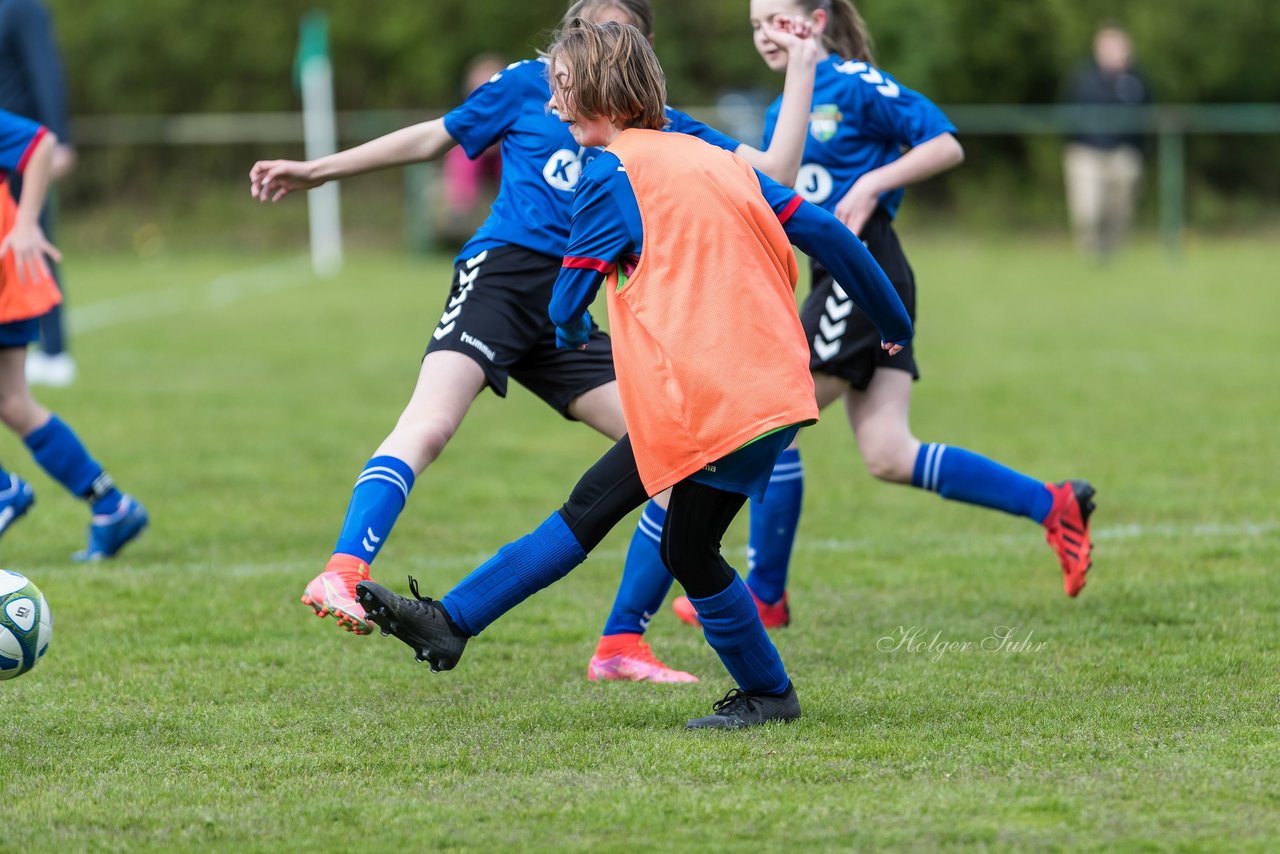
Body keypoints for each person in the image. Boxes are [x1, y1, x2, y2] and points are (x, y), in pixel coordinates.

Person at [354, 18, 912, 729]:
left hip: (712, 398)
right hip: (768, 387)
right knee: (606, 512)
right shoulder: (711, 157)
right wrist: (893, 325)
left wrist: (568, 330)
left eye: (562, 91)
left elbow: (564, 299)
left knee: (672, 540)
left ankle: (770, 694)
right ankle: (450, 620)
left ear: (599, 95)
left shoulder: (609, 173)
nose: (553, 107)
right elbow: (829, 232)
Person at [249, 0, 822, 684]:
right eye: (586, 35)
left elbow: (776, 176)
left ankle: (619, 644)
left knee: (670, 457)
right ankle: (343, 571)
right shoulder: (533, 84)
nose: (597, 53)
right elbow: (435, 137)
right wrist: (319, 172)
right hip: (505, 278)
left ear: (639, 55)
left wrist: (802, 70)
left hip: (572, 305)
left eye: (619, 37)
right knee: (429, 424)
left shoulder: (660, 129)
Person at [594, 0, 1094, 650]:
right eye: (755, 25)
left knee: (769, 417)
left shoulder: (855, 83)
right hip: (839, 279)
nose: (764, 35)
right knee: (888, 451)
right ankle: (1052, 505)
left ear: (817, 21)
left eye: (778, 20)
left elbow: (945, 142)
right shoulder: (783, 112)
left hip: (865, 272)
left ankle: (764, 596)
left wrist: (875, 182)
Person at [0, 109, 148, 559]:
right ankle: (111, 505)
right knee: (12, 401)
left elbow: (42, 143)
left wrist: (27, 223)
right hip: (11, 272)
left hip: (8, 264)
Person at [0, 0, 76, 386]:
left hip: (19, 151)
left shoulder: (21, 7)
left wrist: (60, 139)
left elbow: (45, 69)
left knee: (31, 241)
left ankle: (54, 350)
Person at [1062, 23, 1151, 260]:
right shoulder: (1084, 79)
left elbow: (1147, 115)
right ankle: (1090, 255)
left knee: (1119, 210)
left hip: (1123, 153)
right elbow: (1068, 114)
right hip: (1087, 152)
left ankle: (1112, 255)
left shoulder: (1136, 81)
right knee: (1088, 210)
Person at [435, 52, 506, 248]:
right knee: (463, 150)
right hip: (475, 165)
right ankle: (458, 210)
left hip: (508, 164)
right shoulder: (468, 117)